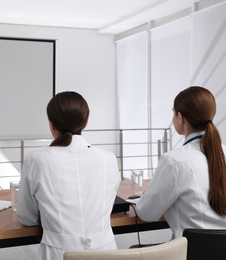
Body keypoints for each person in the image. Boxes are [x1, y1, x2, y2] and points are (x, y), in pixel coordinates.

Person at [16, 91, 120, 260]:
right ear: (85, 123)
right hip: (106, 252)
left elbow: (26, 217)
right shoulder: (108, 158)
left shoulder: (36, 160)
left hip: (58, 254)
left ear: (51, 124)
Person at [136, 86, 226, 239]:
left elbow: (146, 213)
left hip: (190, 253)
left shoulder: (174, 161)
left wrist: (146, 195)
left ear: (180, 117)